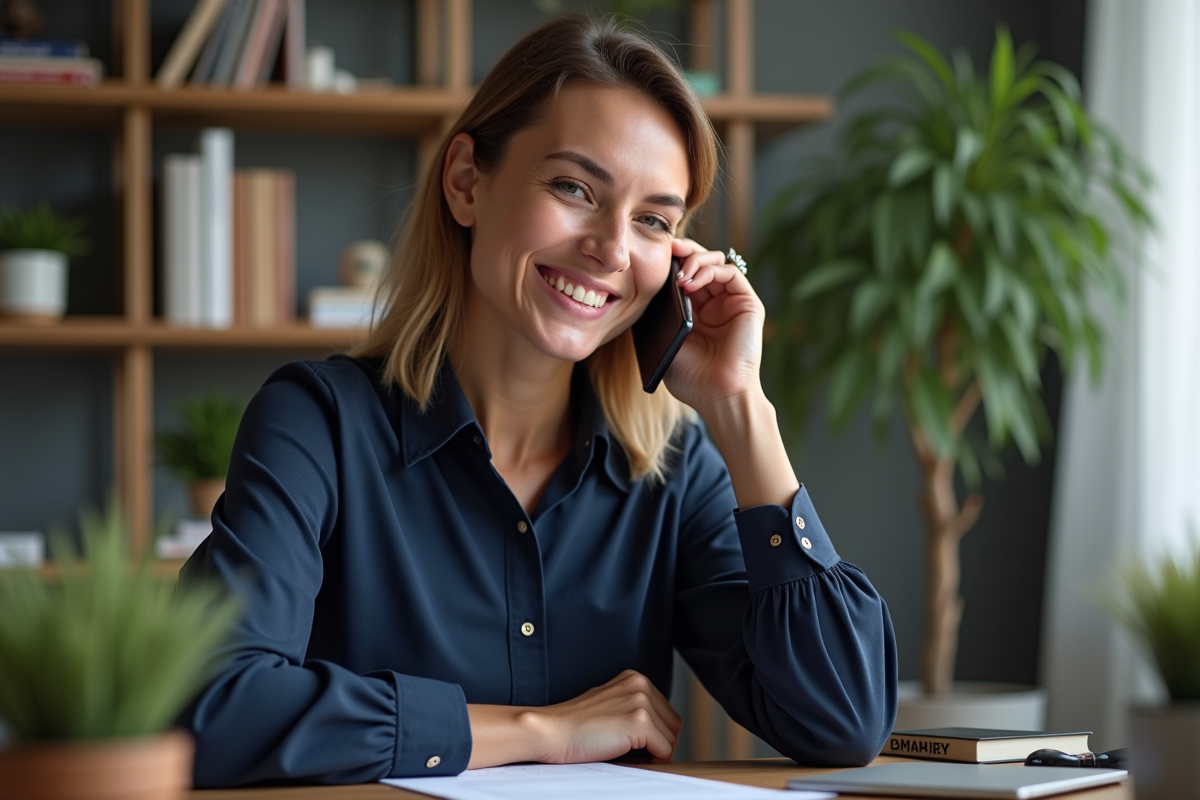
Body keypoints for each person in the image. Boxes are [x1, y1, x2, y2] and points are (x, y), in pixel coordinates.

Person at [179, 14, 898, 787]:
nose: (612, 249)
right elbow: (216, 707)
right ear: (467, 182)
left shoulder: (673, 471)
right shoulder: (318, 424)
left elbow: (843, 721)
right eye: (574, 188)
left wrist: (740, 406)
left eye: (653, 221)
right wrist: (543, 730)